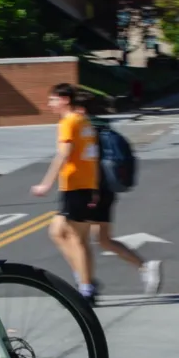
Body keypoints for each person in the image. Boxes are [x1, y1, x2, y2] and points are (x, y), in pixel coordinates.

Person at [72, 93, 162, 296]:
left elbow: (89, 163)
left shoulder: (86, 129)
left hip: (93, 191)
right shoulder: (104, 127)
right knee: (102, 239)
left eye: (74, 109)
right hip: (106, 191)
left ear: (81, 110)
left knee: (76, 239)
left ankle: (86, 285)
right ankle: (145, 267)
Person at [31, 83, 100, 305]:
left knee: (77, 239)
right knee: (57, 232)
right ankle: (84, 278)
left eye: (52, 100)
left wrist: (45, 184)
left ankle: (87, 288)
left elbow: (64, 155)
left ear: (64, 100)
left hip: (76, 188)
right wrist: (95, 187)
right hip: (82, 187)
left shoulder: (68, 122)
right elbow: (92, 156)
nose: (49, 104)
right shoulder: (84, 121)